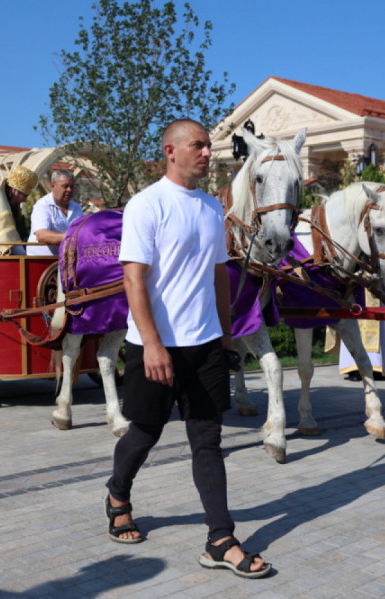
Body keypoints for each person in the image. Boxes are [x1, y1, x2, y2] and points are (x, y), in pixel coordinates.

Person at [103, 119, 270, 579]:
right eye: (198, 145)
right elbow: (133, 278)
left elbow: (219, 274)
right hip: (155, 347)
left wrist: (225, 332)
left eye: (207, 146)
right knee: (144, 432)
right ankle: (118, 494)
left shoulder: (212, 209)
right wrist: (153, 344)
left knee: (207, 441)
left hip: (204, 345)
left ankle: (220, 539)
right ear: (170, 151)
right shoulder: (146, 204)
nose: (206, 153)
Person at [26, 169, 84, 255]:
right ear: (53, 185)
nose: (69, 190)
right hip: (41, 263)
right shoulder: (42, 205)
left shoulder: (77, 208)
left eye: (72, 187)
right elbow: (42, 236)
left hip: (68, 262)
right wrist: (72, 236)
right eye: (65, 186)